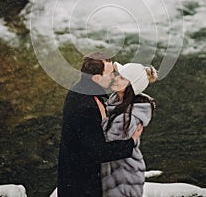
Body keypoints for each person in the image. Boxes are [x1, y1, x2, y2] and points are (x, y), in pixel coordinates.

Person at [57, 52, 143, 197]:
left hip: (73, 178)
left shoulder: (79, 91)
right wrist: (131, 142)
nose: (113, 77)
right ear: (97, 78)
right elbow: (99, 152)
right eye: (109, 74)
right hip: (81, 186)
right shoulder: (86, 107)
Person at [100, 61, 158, 197]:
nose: (115, 78)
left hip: (124, 177)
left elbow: (109, 142)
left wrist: (101, 117)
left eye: (122, 78)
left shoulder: (131, 116)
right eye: (117, 75)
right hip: (112, 174)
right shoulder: (114, 103)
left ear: (131, 86)